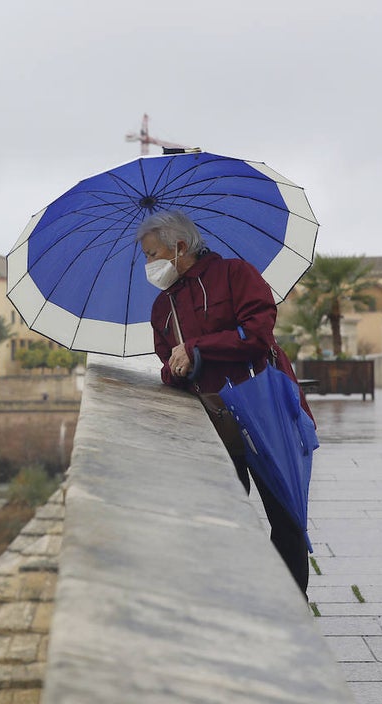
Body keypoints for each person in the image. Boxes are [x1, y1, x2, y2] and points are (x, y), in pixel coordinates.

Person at [138, 210, 314, 595]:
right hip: (213, 419)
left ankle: (290, 605)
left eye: (152, 254)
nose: (148, 264)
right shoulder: (161, 308)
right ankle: (236, 596)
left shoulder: (236, 274)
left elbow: (257, 336)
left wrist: (197, 347)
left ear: (179, 247)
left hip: (265, 407)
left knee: (285, 515)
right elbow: (167, 365)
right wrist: (179, 368)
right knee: (218, 512)